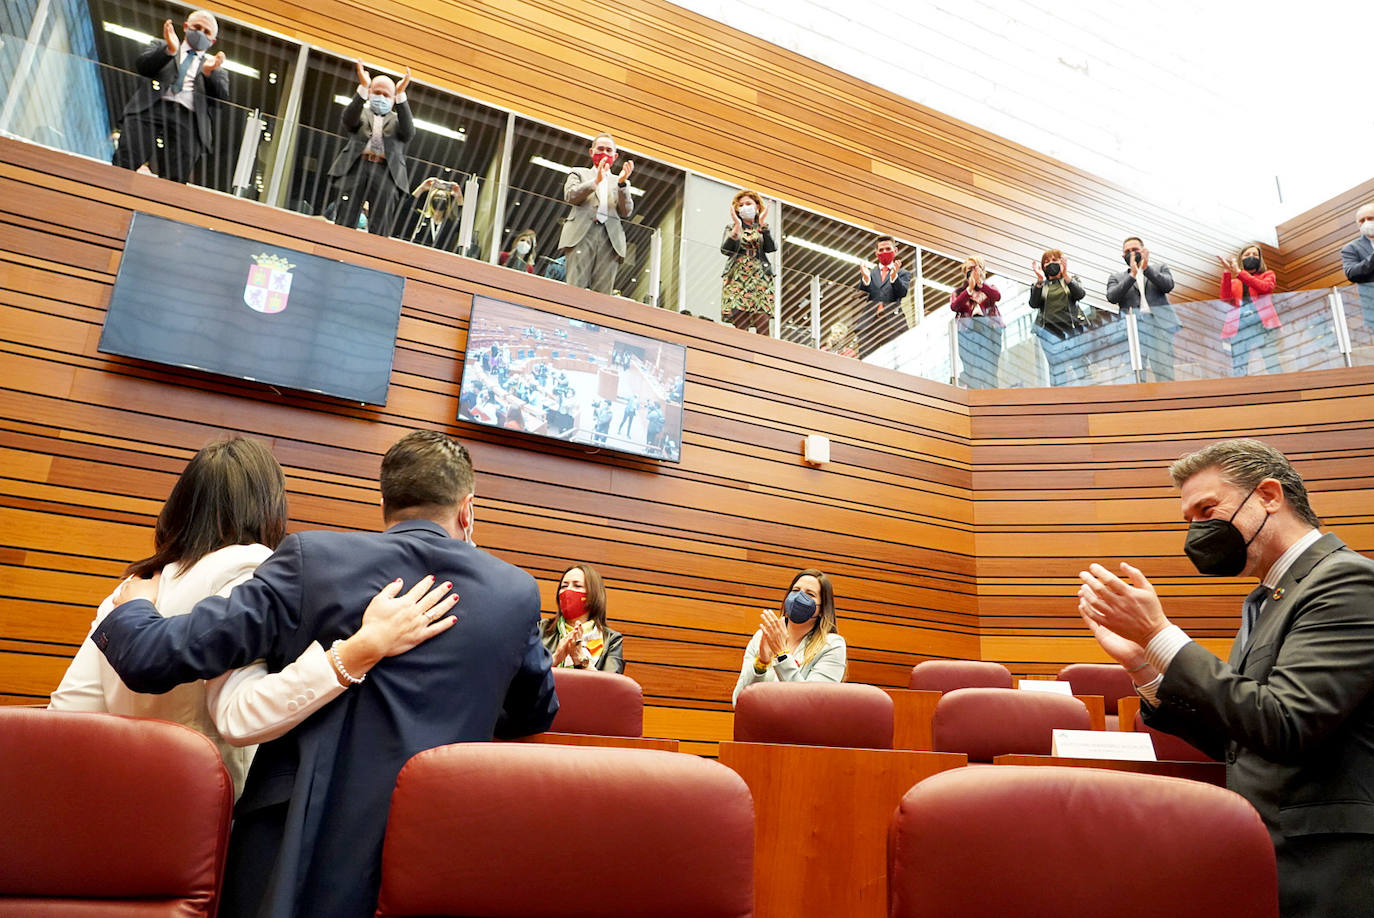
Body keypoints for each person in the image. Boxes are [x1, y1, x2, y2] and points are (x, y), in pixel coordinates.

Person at [92, 430, 557, 918]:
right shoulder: (515, 593)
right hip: (442, 853)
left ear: (385, 502)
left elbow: (154, 657)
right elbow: (534, 712)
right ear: (467, 509)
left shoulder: (310, 561)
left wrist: (134, 607)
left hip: (295, 853)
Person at [48, 436, 453, 799]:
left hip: (111, 794)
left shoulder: (129, 591)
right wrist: (358, 652)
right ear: (269, 506)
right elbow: (241, 712)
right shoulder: (251, 568)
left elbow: (69, 711)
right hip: (205, 805)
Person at [1076, 438, 1374, 918]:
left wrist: (1160, 634)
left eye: (1206, 509)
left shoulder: (1346, 581)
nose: (1195, 531)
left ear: (1269, 496)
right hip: (1270, 855)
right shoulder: (1265, 600)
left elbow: (1286, 725)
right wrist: (1144, 666)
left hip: (1331, 868)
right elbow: (1243, 739)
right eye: (1188, 520)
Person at [111, 10, 228, 184]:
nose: (200, 33)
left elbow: (221, 98)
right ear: (186, 27)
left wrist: (208, 72)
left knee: (175, 177)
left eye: (206, 31)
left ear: (212, 41)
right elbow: (143, 66)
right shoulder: (161, 45)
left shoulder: (216, 69)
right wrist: (169, 50)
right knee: (127, 158)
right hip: (151, 107)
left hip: (189, 118)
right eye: (197, 27)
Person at [732, 569, 847, 704]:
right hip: (761, 723)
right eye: (795, 590)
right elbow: (738, 701)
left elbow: (811, 704)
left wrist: (781, 655)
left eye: (810, 594)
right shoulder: (763, 636)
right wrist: (761, 663)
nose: (799, 597)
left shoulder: (831, 645)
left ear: (822, 609)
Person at [327, 60, 414, 238]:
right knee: (345, 216)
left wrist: (401, 95)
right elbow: (349, 120)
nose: (381, 97)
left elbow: (409, 132)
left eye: (386, 94)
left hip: (386, 172)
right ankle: (337, 251)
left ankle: (373, 260)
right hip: (357, 167)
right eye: (377, 93)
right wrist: (363, 88)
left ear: (392, 99)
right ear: (370, 94)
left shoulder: (397, 120)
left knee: (381, 223)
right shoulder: (361, 113)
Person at [559, 132, 634, 295]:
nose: (605, 153)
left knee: (602, 295)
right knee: (574, 290)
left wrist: (622, 184)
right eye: (600, 149)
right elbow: (570, 196)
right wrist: (595, 182)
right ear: (591, 152)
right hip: (581, 235)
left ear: (615, 156)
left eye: (609, 150)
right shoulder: (579, 173)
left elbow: (627, 211)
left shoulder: (621, 181)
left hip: (609, 239)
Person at [1105, 236, 1181, 381]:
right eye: (1128, 251)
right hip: (1133, 329)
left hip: (1158, 326)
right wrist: (1132, 275)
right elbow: (1112, 297)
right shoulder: (1116, 277)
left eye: (1135, 250)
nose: (1132, 253)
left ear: (1144, 251)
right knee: (1136, 373)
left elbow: (1168, 286)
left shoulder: (1160, 268)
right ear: (1123, 256)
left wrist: (1146, 269)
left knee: (1164, 370)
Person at [540, 563, 625, 673]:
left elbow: (611, 686)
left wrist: (580, 658)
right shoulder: (541, 628)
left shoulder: (611, 640)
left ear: (593, 594)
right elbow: (523, 674)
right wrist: (556, 658)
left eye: (577, 586)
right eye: (564, 586)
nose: (568, 591)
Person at [1218, 244, 1281, 376]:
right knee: (1239, 366)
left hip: (1263, 326)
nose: (1251, 257)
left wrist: (1240, 273)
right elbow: (1225, 298)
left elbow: (1265, 287)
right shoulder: (1235, 282)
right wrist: (1227, 272)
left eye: (1255, 255)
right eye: (1247, 255)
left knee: (1272, 362)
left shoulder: (1267, 275)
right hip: (1240, 327)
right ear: (1241, 259)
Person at [720, 190, 776, 334]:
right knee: (741, 325)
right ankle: (741, 354)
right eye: (741, 205)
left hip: (760, 277)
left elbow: (771, 248)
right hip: (738, 277)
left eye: (749, 204)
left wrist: (763, 226)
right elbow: (725, 250)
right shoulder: (731, 227)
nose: (745, 207)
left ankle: (764, 355)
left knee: (762, 321)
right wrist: (737, 227)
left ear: (757, 207)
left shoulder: (762, 227)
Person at [1029, 248, 1088, 386]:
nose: (1051, 264)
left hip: (1072, 329)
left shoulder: (1072, 280)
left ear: (1061, 262)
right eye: (1047, 262)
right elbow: (1034, 303)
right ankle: (1059, 399)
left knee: (1080, 364)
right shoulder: (1040, 285)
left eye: (1054, 260)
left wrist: (1065, 274)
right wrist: (1039, 280)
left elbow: (1080, 294)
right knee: (1056, 368)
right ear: (1043, 267)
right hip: (1048, 332)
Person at [949, 256, 1003, 388]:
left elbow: (996, 297)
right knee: (971, 367)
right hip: (968, 331)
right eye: (969, 269)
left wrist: (980, 284)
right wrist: (969, 289)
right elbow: (954, 306)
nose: (972, 272)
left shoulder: (989, 288)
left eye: (975, 268)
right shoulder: (959, 292)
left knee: (990, 367)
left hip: (990, 329)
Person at [855, 236, 911, 357]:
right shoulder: (870, 273)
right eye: (881, 250)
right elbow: (860, 295)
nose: (884, 252)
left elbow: (902, 292)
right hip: (869, 323)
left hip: (892, 324)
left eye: (887, 249)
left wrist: (894, 277)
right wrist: (865, 279)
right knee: (866, 361)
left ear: (895, 251)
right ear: (876, 253)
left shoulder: (903, 273)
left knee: (893, 361)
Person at [1338, 202, 1374, 332]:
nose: (1366, 222)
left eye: (1370, 218)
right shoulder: (1351, 248)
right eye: (1362, 220)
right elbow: (1352, 273)